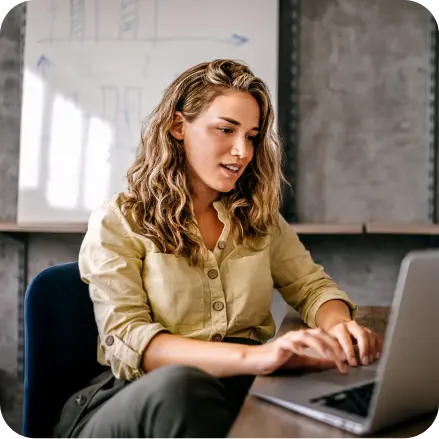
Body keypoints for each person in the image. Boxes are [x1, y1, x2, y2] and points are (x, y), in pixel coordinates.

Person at [53, 59, 382, 439]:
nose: (242, 151)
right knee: (180, 388)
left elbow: (312, 288)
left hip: (235, 391)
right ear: (178, 127)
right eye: (225, 130)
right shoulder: (120, 219)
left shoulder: (258, 218)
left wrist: (341, 329)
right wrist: (260, 356)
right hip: (134, 401)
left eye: (252, 136)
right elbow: (132, 342)